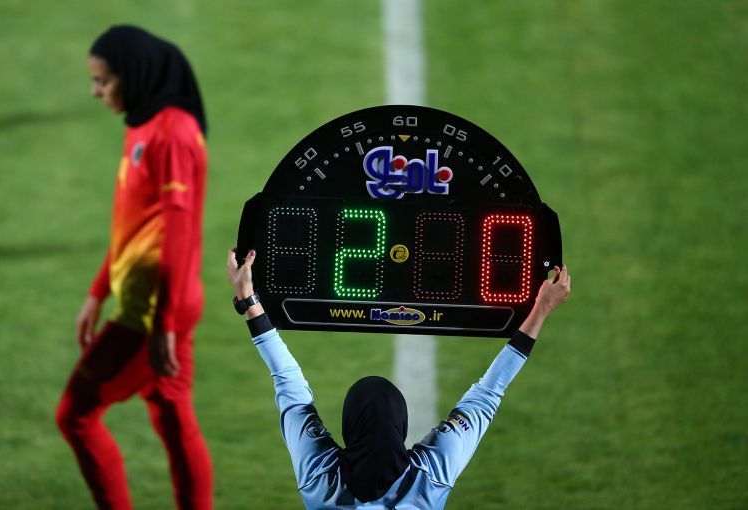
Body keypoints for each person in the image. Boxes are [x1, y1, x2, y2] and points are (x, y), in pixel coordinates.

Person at [226, 249, 571, 509]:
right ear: (400, 424)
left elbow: (288, 383)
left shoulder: (322, 476)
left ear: (349, 424)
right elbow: (488, 394)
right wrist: (541, 309)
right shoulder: (428, 474)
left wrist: (249, 299)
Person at [56, 25, 213, 510]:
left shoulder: (173, 133)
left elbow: (178, 232)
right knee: (173, 416)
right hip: (160, 303)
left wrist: (162, 323)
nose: (96, 91)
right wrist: (97, 290)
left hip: (152, 312)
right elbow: (134, 224)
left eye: (103, 81)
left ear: (134, 74)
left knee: (75, 415)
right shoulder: (143, 124)